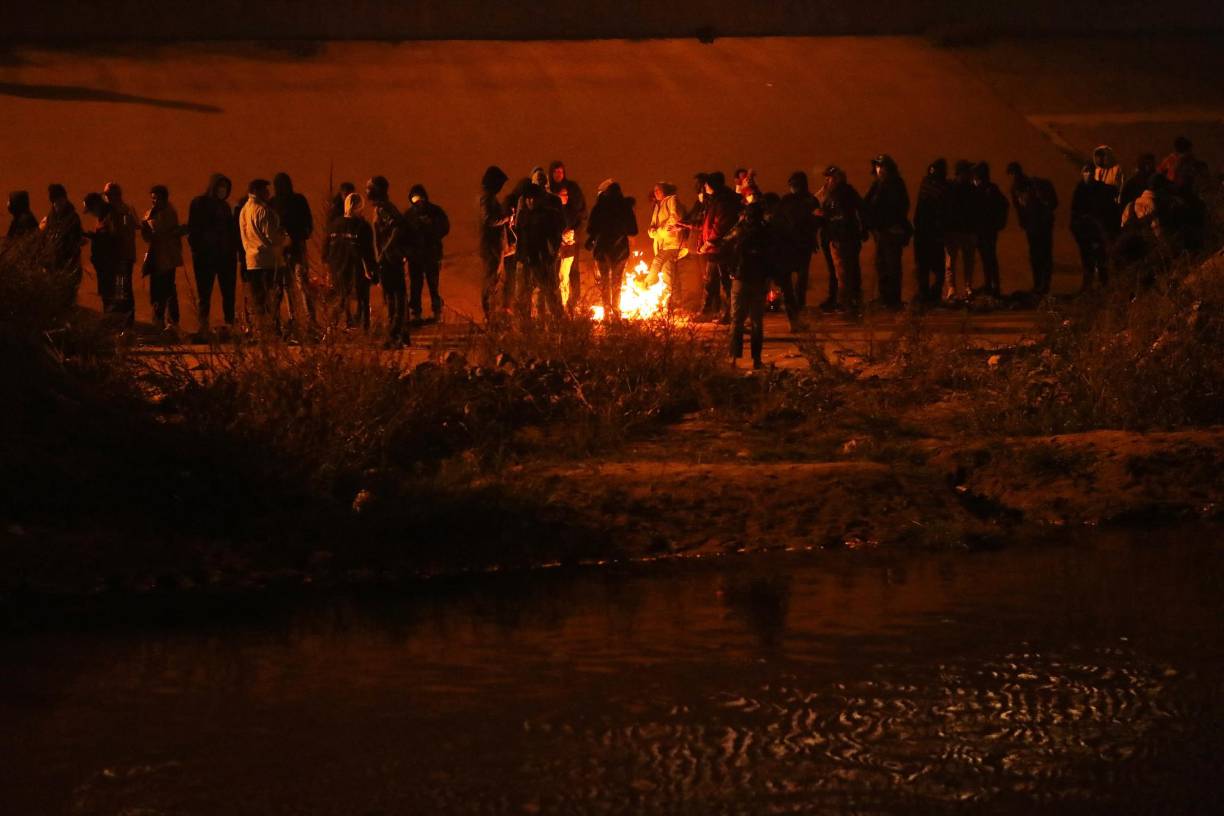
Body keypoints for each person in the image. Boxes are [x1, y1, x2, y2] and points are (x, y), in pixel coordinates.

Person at [187, 173, 238, 336]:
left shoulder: (225, 207)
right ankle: (203, 327)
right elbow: (193, 229)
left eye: (226, 187)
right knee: (204, 295)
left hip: (225, 257)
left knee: (228, 293)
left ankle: (230, 325)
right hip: (205, 257)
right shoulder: (199, 203)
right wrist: (198, 250)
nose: (223, 190)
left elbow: (230, 231)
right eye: (221, 186)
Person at [725, 198, 771, 369]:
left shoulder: (740, 230)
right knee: (757, 322)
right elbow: (772, 257)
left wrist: (731, 271)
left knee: (736, 320)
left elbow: (725, 244)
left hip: (740, 279)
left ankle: (733, 359)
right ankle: (756, 360)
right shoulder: (766, 232)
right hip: (759, 280)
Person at [322, 192, 378, 331]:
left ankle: (332, 329)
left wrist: (329, 269)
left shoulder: (334, 225)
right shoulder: (362, 226)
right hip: (357, 269)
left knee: (341, 299)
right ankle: (364, 330)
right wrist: (372, 270)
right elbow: (367, 251)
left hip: (338, 269)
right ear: (359, 206)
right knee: (363, 300)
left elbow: (325, 250)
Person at [814, 166, 865, 313]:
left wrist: (823, 214)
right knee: (841, 270)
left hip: (841, 237)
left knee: (844, 271)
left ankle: (845, 302)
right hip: (836, 236)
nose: (826, 181)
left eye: (829, 178)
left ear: (837, 179)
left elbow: (841, 215)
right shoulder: (834, 193)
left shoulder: (841, 194)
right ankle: (843, 299)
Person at [270, 172, 316, 335]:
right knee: (293, 284)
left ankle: (303, 320)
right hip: (289, 247)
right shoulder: (294, 200)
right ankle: (301, 320)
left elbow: (308, 224)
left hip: (291, 247)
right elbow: (308, 224)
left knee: (295, 284)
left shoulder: (276, 202)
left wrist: (292, 236)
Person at [585, 179, 638, 318]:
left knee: (604, 282)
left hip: (601, 249)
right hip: (620, 250)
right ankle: (615, 312)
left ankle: (606, 312)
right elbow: (633, 230)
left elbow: (591, 229)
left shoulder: (599, 207)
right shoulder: (625, 207)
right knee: (616, 282)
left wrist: (594, 237)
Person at [366, 176, 409, 348]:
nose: (367, 191)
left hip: (390, 259)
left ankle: (394, 335)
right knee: (395, 296)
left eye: (369, 188)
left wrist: (385, 250)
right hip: (391, 257)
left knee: (393, 296)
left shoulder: (383, 209)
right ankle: (400, 334)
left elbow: (397, 226)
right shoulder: (384, 207)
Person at [863, 154, 910, 309]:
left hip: (892, 231)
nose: (879, 169)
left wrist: (892, 223)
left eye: (881, 166)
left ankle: (893, 300)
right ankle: (884, 298)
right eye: (877, 166)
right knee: (881, 264)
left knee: (892, 266)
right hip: (880, 231)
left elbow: (901, 206)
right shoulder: (877, 184)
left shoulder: (896, 184)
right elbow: (866, 203)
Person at [238, 178, 283, 336]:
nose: (268, 193)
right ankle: (273, 330)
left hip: (252, 260)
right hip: (268, 260)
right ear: (257, 191)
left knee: (258, 299)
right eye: (265, 190)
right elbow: (272, 237)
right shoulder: (263, 210)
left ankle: (260, 330)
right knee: (272, 298)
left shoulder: (244, 210)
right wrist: (284, 238)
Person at [1007, 162, 1059, 296]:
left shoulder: (1034, 185)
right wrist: (1023, 223)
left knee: (1044, 255)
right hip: (1032, 227)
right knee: (1035, 256)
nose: (1014, 177)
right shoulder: (1015, 189)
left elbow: (1050, 204)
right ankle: (1038, 285)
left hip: (1043, 226)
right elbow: (1019, 209)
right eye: (1012, 175)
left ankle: (1044, 285)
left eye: (1014, 174)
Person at [696, 171, 742, 322]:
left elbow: (720, 225)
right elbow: (706, 223)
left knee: (725, 281)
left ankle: (728, 313)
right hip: (715, 249)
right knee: (710, 281)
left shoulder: (724, 201)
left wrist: (709, 242)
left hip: (722, 248)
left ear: (713, 184)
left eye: (707, 184)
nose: (704, 187)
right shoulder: (715, 200)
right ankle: (707, 311)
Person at [515, 183, 565, 320]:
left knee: (548, 291)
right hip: (526, 259)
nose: (531, 201)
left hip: (541, 259)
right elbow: (521, 237)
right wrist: (520, 256)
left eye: (534, 198)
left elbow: (556, 235)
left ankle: (558, 320)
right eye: (528, 198)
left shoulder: (548, 215)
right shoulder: (524, 215)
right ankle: (525, 322)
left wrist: (551, 255)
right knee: (524, 293)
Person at [140, 185, 184, 333]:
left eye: (157, 198)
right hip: (156, 257)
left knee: (168, 290)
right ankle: (159, 321)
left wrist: (149, 228)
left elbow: (163, 233)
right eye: (153, 198)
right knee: (157, 291)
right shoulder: (150, 213)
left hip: (167, 258)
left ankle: (171, 322)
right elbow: (148, 237)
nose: (154, 201)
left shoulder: (168, 213)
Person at [1070, 162, 1119, 291]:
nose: (1089, 174)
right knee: (1087, 260)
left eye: (1091, 171)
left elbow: (1112, 194)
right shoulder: (1079, 189)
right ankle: (1088, 286)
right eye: (1086, 171)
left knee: (1101, 259)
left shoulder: (1100, 187)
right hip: (1085, 231)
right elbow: (1075, 211)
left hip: (1098, 230)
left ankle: (1103, 286)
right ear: (1082, 173)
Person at [405, 184, 450, 323]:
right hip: (415, 256)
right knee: (415, 286)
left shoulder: (435, 211)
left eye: (420, 198)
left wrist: (431, 225)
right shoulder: (409, 214)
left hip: (431, 254)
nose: (418, 202)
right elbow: (403, 233)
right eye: (415, 199)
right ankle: (416, 314)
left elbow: (445, 228)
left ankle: (437, 313)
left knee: (433, 285)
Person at [774, 170, 818, 311]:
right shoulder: (810, 200)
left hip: (793, 243)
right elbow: (816, 221)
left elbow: (777, 219)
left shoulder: (789, 200)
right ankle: (798, 304)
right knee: (800, 276)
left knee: (791, 276)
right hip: (801, 243)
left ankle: (793, 304)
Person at [548, 161, 586, 312]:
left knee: (572, 271)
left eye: (561, 172)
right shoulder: (548, 192)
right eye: (555, 172)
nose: (558, 175)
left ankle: (574, 303)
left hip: (572, 239)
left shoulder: (573, 189)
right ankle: (559, 305)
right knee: (557, 273)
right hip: (555, 241)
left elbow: (582, 214)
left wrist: (574, 232)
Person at [646, 181, 686, 311]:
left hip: (673, 243)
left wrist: (658, 232)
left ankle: (646, 285)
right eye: (654, 190)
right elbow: (652, 226)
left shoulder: (672, 200)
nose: (656, 193)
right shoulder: (657, 206)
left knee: (657, 262)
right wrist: (652, 232)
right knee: (668, 272)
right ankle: (672, 303)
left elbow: (674, 218)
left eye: (658, 190)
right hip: (662, 244)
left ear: (665, 190)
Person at [912, 159, 947, 305]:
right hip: (927, 232)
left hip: (929, 232)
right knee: (928, 266)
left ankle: (928, 293)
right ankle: (928, 293)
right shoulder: (939, 187)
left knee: (929, 266)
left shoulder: (930, 186)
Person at [478, 166, 510, 320]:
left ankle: (492, 313)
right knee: (491, 281)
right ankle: (489, 314)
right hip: (491, 247)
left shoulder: (489, 197)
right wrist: (506, 218)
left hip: (494, 246)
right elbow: (489, 220)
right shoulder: (487, 198)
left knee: (494, 280)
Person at [103, 182, 139, 321]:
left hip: (122, 255)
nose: (106, 198)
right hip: (121, 255)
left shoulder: (123, 211)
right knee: (121, 288)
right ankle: (123, 319)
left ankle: (126, 320)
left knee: (123, 288)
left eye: (107, 194)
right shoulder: (122, 210)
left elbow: (125, 230)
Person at [972, 162, 1009, 297]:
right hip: (984, 229)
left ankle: (993, 285)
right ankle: (990, 284)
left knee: (989, 257)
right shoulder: (988, 189)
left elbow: (1003, 205)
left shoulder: (988, 190)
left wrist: (998, 223)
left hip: (986, 230)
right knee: (987, 257)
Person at [942, 160, 977, 302]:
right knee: (954, 261)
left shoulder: (955, 188)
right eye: (968, 171)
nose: (971, 174)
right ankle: (953, 289)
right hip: (956, 230)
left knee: (961, 260)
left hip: (963, 230)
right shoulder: (954, 188)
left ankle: (963, 288)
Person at [40, 184, 83, 297]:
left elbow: (74, 241)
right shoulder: (51, 217)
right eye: (57, 201)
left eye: (62, 199)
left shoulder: (73, 218)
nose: (60, 203)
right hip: (53, 265)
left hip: (67, 265)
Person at [82, 192, 120, 313]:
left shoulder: (110, 215)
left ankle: (112, 317)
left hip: (109, 263)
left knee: (110, 295)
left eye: (91, 210)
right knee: (106, 295)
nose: (92, 214)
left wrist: (95, 237)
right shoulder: (103, 216)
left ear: (96, 205)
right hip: (103, 263)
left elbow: (113, 237)